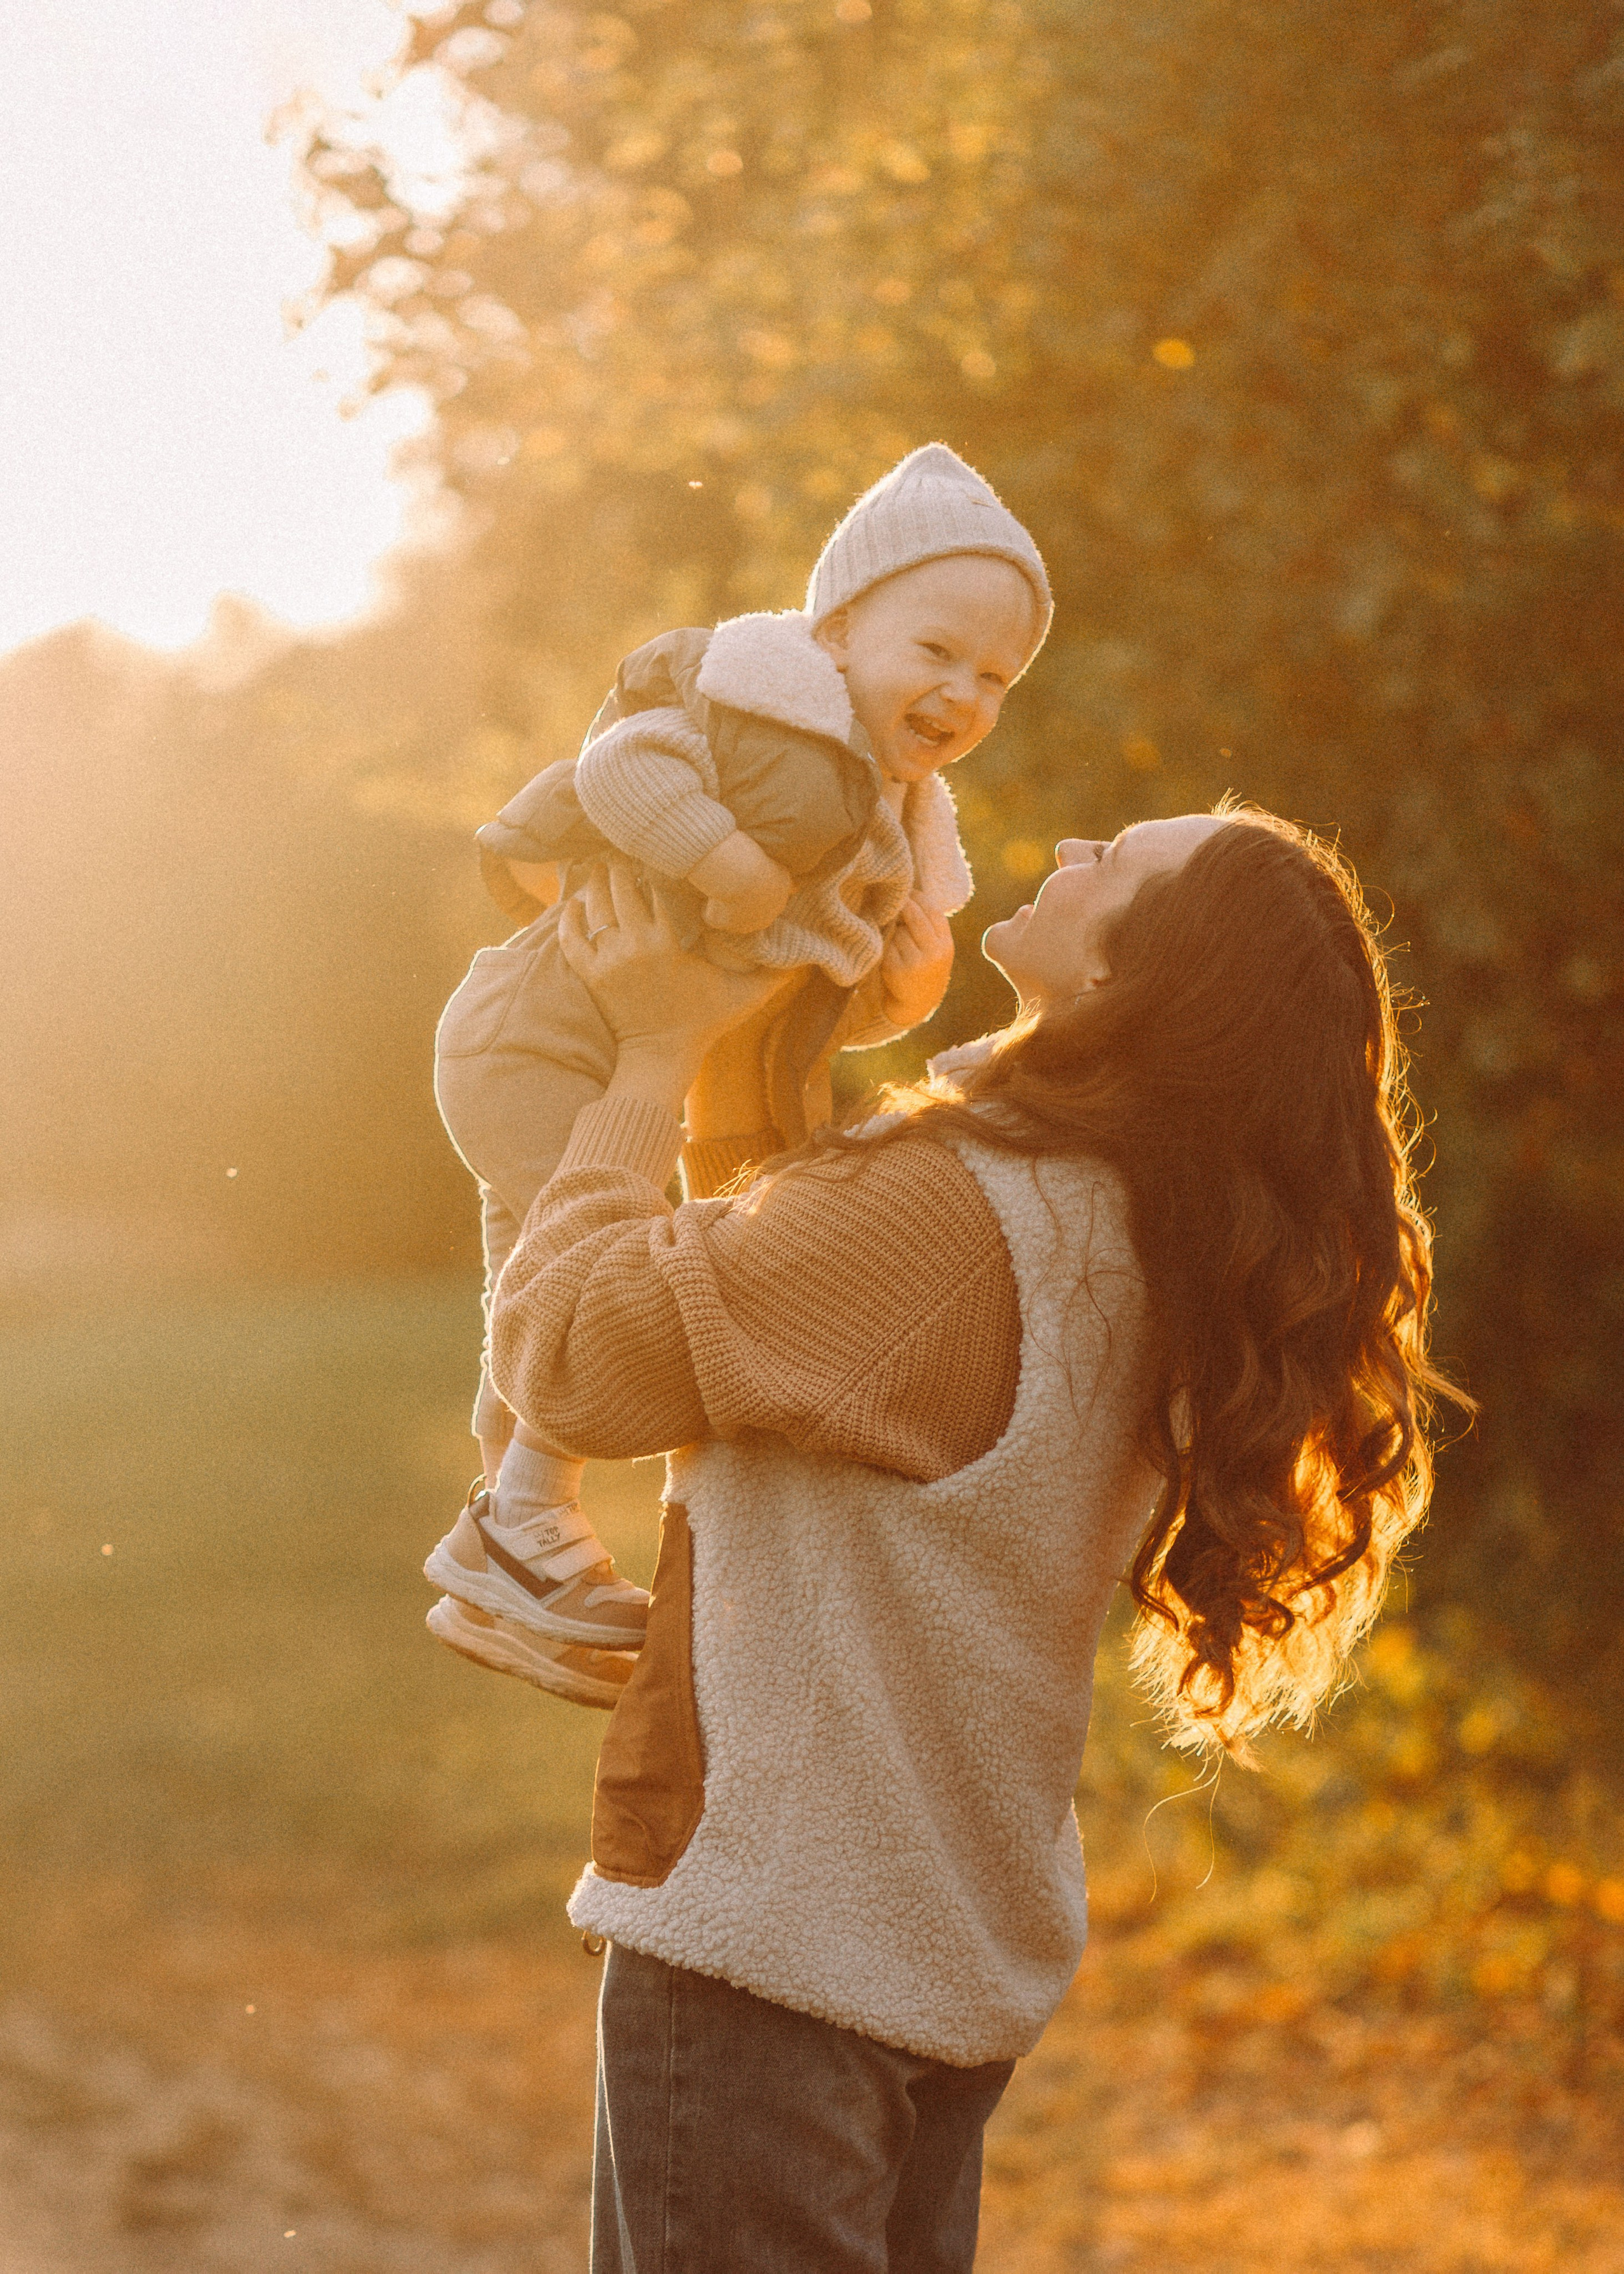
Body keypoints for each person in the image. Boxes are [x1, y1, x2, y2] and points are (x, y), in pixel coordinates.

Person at [475, 806, 1459, 2271]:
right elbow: (787, 1326)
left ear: (1139, 977)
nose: (1066, 849)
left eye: (1110, 858)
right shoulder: (1125, 1218)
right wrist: (755, 1045)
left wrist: (642, 1061)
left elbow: (567, 1356)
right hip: (914, 1947)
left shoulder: (955, 1208)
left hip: (777, 1949)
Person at [426, 445, 1051, 1699]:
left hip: (609, 1053)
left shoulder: (887, 809)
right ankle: (519, 1524)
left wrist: (905, 988)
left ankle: (505, 1542)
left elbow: (785, 988)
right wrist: (722, 861)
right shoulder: (752, 705)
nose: (961, 693)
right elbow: (618, 771)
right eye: (935, 651)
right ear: (835, 627)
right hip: (536, 1035)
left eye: (993, 677)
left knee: (544, 1286)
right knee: (597, 1281)